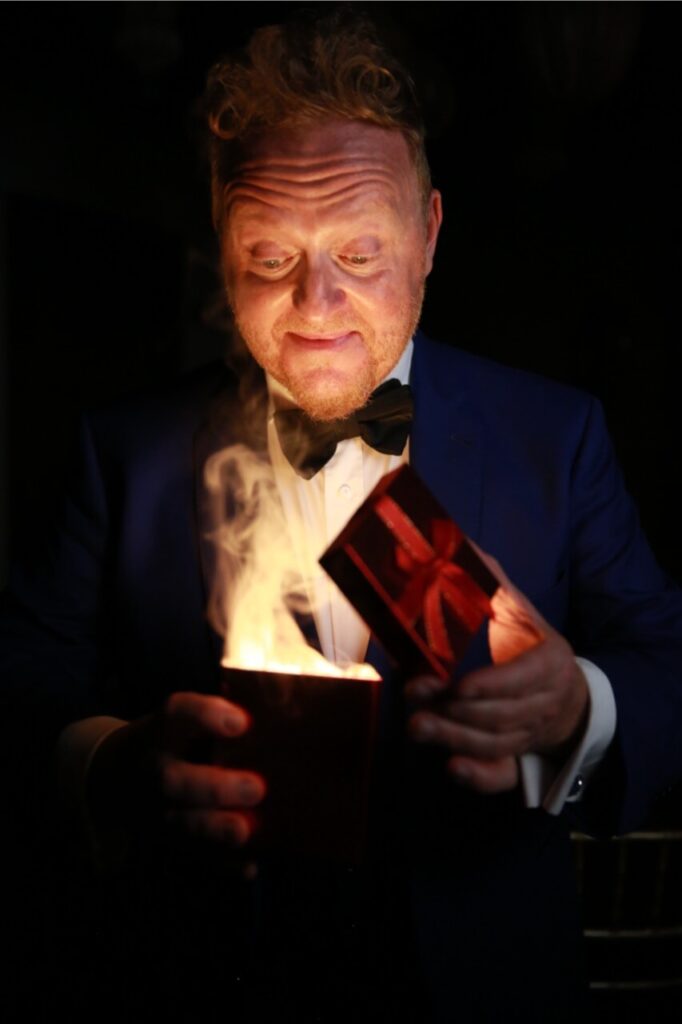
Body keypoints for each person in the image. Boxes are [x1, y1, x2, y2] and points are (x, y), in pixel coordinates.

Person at [2, 10, 681, 1024]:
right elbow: (18, 697)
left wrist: (583, 707)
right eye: (270, 254)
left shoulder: (557, 435)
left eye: (360, 251)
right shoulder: (120, 449)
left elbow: (668, 660)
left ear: (431, 233)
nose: (316, 303)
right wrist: (111, 766)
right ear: (220, 238)